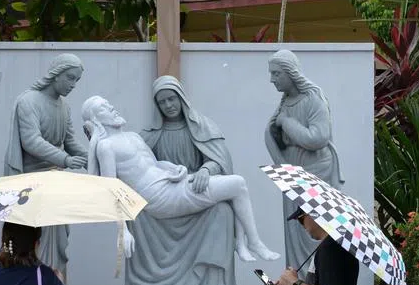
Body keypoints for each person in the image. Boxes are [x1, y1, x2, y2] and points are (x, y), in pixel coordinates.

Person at [81, 95, 279, 263]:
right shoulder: (105, 146)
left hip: (172, 183)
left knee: (236, 186)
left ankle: (244, 243)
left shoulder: (133, 137)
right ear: (96, 120)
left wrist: (175, 168)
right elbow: (110, 189)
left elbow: (154, 164)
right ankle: (251, 242)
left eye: (109, 104)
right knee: (237, 184)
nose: (111, 108)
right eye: (103, 109)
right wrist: (122, 230)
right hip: (160, 198)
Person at [124, 75, 242, 285]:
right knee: (136, 212)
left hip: (194, 195)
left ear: (181, 98)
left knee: (223, 213)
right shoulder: (148, 135)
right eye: (162, 101)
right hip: (163, 198)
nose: (168, 105)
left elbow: (220, 161)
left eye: (172, 99)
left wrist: (206, 170)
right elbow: (134, 166)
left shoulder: (202, 127)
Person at [3, 53, 89, 275]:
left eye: (76, 80)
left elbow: (69, 142)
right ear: (56, 74)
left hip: (56, 184)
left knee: (59, 242)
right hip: (31, 184)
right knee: (31, 238)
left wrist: (93, 156)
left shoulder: (64, 107)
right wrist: (66, 160)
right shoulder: (28, 101)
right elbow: (31, 141)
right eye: (70, 78)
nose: (73, 84)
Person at [264, 50, 343, 266]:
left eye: (276, 74)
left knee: (315, 224)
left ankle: (319, 275)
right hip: (292, 170)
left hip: (315, 169)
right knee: (295, 228)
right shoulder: (285, 100)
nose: (272, 79)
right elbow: (273, 131)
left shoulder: (313, 98)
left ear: (290, 73)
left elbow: (318, 138)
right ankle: (296, 277)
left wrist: (286, 123)